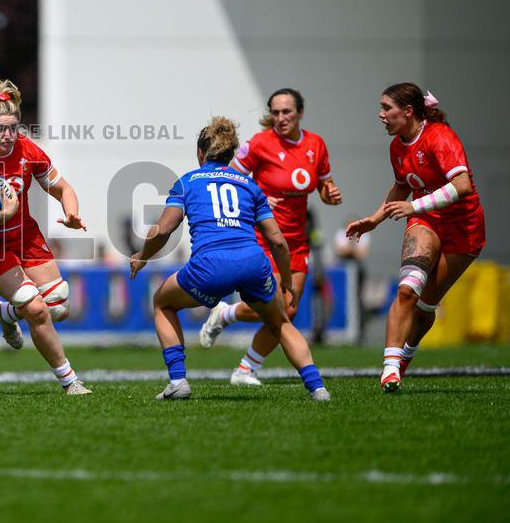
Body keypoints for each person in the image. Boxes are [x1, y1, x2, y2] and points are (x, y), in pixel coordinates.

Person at [130, 117, 330, 402]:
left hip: (210, 266)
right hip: (253, 263)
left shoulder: (187, 182)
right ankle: (318, 388)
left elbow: (163, 229)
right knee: (280, 322)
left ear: (201, 152)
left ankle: (178, 381)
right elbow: (277, 241)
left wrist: (142, 257)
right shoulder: (249, 186)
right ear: (231, 154)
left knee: (162, 303)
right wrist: (287, 280)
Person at [0, 76, 91, 395]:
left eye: (13, 127)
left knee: (58, 305)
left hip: (24, 235)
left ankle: (6, 312)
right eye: (1, 128)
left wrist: (71, 212)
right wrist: (2, 214)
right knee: (37, 309)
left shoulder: (26, 149)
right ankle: (70, 381)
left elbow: (63, 188)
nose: (8, 135)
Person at [345, 83, 485, 392]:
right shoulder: (397, 146)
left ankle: (405, 355)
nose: (381, 115)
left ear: (408, 111)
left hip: (464, 229)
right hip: (426, 220)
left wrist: (413, 205)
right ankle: (390, 367)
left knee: (424, 307)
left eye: (386, 108)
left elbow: (462, 186)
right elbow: (402, 186)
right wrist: (374, 219)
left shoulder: (440, 137)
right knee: (407, 290)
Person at [197, 89, 341, 386]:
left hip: (296, 240)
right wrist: (258, 197)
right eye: (275, 112)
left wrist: (330, 195)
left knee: (288, 309)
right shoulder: (261, 144)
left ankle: (238, 348)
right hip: (264, 238)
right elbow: (228, 176)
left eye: (287, 112)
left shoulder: (316, 145)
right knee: (274, 307)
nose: (280, 118)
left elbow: (325, 186)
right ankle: (241, 353)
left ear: (300, 112)